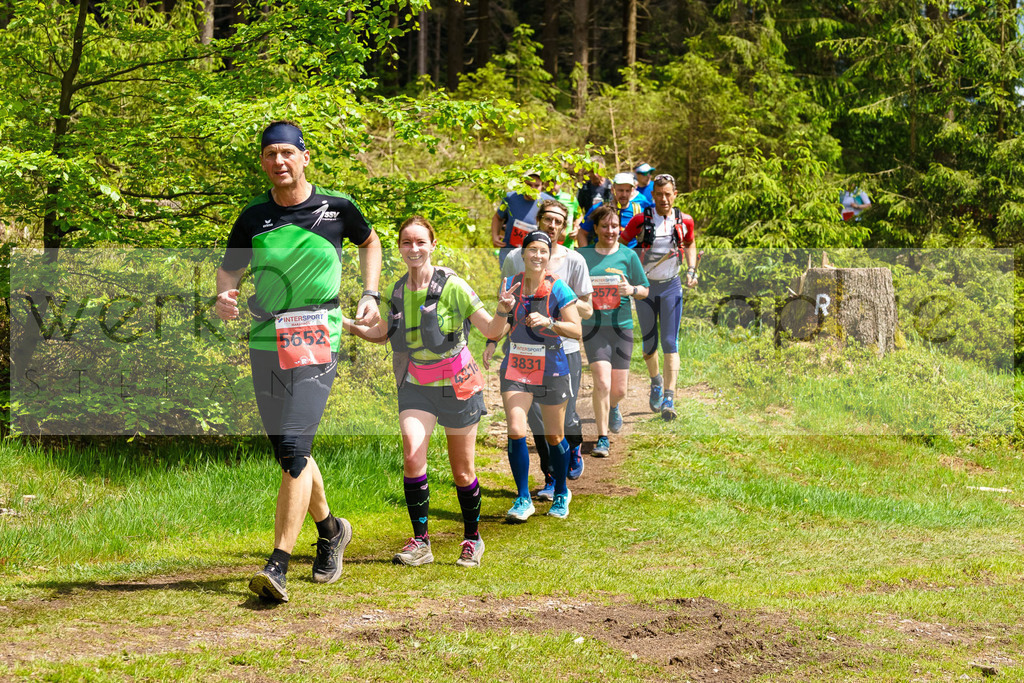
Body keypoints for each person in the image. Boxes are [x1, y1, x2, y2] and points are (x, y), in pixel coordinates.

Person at [215, 120, 382, 603]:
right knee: (290, 452)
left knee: (294, 442)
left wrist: (369, 293)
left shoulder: (337, 209)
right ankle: (331, 529)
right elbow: (229, 268)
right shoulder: (253, 218)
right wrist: (224, 296)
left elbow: (369, 241)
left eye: (288, 153)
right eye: (270, 154)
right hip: (266, 337)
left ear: (305, 157)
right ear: (263, 161)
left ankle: (278, 564)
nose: (279, 161)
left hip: (317, 333)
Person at [344, 216, 493, 568]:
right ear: (399, 247)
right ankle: (421, 542)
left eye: (420, 242)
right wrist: (345, 323)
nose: (413, 249)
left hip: (459, 386)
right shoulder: (397, 291)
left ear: (433, 245)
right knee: (412, 455)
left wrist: (503, 310)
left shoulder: (453, 286)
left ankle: (472, 538)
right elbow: (382, 332)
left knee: (463, 472)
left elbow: (489, 325)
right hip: (417, 385)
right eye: (407, 242)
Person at [493, 199, 593, 499]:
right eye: (548, 219)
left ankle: (571, 451)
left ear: (564, 227)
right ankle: (549, 479)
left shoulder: (574, 261)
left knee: (566, 419)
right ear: (539, 221)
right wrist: (495, 334)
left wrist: (557, 313)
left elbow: (586, 309)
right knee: (532, 422)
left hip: (563, 350)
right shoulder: (515, 258)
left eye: (559, 221)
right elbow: (508, 305)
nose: (553, 225)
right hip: (523, 354)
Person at [483, 231, 582, 521]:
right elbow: (502, 324)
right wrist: (493, 338)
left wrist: (551, 323)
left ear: (548, 256)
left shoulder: (559, 288)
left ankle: (562, 491)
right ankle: (523, 498)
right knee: (516, 429)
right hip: (517, 364)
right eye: (532, 250)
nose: (537, 256)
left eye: (543, 251)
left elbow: (577, 330)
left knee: (554, 435)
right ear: (523, 253)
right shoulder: (510, 285)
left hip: (551, 365)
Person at [620, 174, 696, 421]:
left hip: (672, 286)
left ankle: (669, 397)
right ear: (652, 195)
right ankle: (655, 381)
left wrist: (692, 270)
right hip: (645, 288)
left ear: (675, 194)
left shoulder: (685, 220)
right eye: (659, 194)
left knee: (670, 342)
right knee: (650, 344)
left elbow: (691, 243)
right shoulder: (640, 220)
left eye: (668, 194)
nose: (664, 199)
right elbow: (620, 244)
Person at [579, 205, 648, 458]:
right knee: (602, 382)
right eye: (605, 226)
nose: (611, 230)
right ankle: (602, 437)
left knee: (618, 390)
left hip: (622, 328)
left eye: (614, 226)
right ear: (595, 229)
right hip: (594, 328)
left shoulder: (629, 256)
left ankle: (614, 407)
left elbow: (645, 290)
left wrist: (631, 290)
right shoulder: (582, 256)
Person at [491, 171, 551, 266]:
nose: (532, 189)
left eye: (536, 185)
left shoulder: (548, 203)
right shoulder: (510, 198)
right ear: (522, 184)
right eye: (529, 185)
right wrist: (495, 236)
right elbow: (498, 217)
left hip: (535, 257)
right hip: (509, 253)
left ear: (542, 186)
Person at [578, 172, 653, 248]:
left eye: (627, 191)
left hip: (629, 256)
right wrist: (585, 255)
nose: (624, 195)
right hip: (603, 255)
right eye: (620, 190)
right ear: (612, 190)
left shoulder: (639, 210)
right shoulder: (599, 208)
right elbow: (582, 233)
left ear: (632, 191)